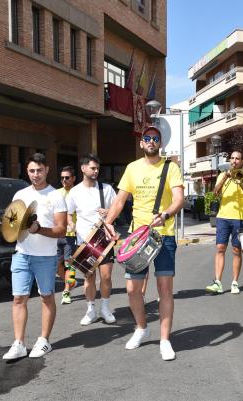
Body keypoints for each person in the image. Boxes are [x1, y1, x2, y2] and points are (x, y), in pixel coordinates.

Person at [104, 126, 184, 361]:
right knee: (132, 290)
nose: (151, 141)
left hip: (164, 235)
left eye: (155, 139)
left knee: (164, 289)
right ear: (141, 143)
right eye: (147, 138)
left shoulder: (171, 168)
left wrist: (166, 214)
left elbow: (179, 199)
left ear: (160, 143)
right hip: (136, 237)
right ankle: (141, 327)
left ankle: (165, 340)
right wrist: (108, 222)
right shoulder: (132, 168)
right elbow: (119, 201)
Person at [3, 153, 67, 360]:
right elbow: (11, 226)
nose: (36, 174)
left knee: (46, 297)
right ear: (27, 171)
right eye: (32, 170)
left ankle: (44, 340)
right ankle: (19, 343)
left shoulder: (55, 196)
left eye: (39, 170)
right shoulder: (19, 195)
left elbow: (61, 230)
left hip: (46, 257)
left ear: (47, 170)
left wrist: (38, 229)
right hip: (21, 254)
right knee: (18, 298)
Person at [66, 154, 118, 325]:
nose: (96, 171)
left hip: (104, 238)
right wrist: (70, 224)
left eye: (97, 168)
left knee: (106, 276)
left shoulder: (106, 189)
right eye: (92, 168)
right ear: (83, 169)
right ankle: (90, 310)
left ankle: (105, 307)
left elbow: (116, 210)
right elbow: (68, 214)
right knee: (88, 276)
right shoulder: (74, 192)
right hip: (84, 240)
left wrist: (108, 212)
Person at [205, 150, 243, 295]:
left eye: (237, 158)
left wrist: (241, 181)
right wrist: (225, 177)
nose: (234, 161)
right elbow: (215, 192)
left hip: (239, 217)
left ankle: (235, 282)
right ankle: (217, 282)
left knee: (236, 250)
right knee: (220, 247)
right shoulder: (222, 174)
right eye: (232, 158)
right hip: (223, 216)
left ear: (242, 161)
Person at [56, 166, 78, 305]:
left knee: (69, 263)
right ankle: (70, 282)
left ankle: (66, 291)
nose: (64, 180)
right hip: (57, 234)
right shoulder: (56, 193)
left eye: (67, 177)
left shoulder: (78, 193)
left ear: (73, 178)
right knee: (56, 264)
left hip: (72, 235)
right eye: (62, 177)